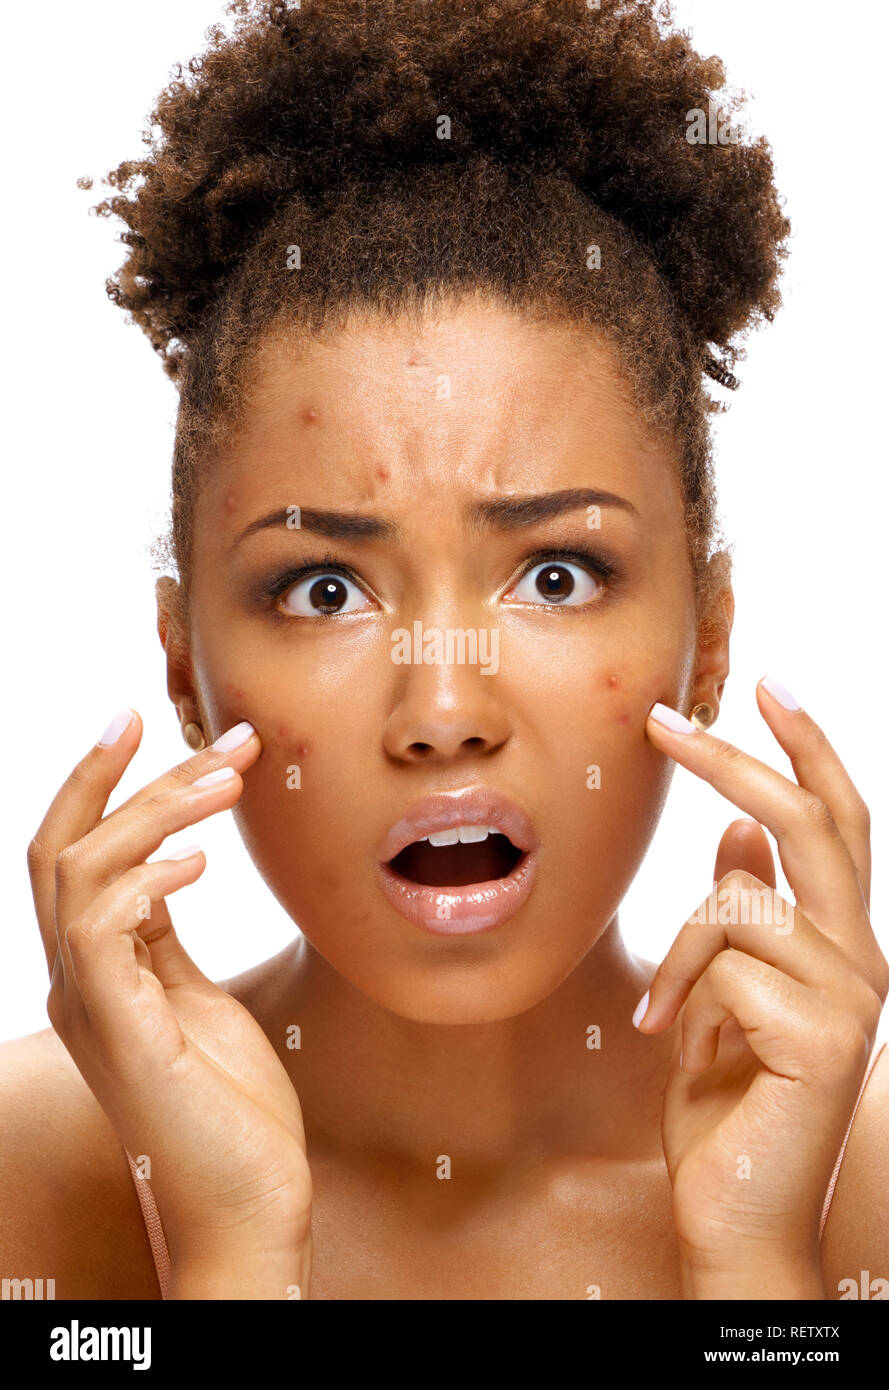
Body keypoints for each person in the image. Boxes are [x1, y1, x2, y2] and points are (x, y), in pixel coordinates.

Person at [2, 0, 886, 1300]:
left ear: (706, 645)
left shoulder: (852, 1184)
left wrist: (756, 1268)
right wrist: (235, 1251)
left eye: (554, 572)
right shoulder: (29, 1181)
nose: (442, 707)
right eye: (321, 587)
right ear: (185, 669)